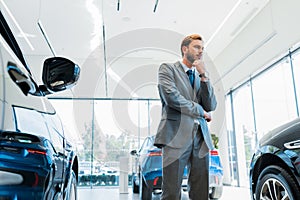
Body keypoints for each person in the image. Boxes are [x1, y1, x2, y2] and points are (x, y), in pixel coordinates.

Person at [154, 34, 217, 200]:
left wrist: (204, 76)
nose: (200, 51)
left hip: (200, 138)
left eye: (202, 48)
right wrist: (199, 110)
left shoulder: (200, 76)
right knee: (172, 192)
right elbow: (172, 97)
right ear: (184, 49)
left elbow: (211, 105)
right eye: (197, 47)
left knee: (200, 192)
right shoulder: (167, 69)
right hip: (175, 135)